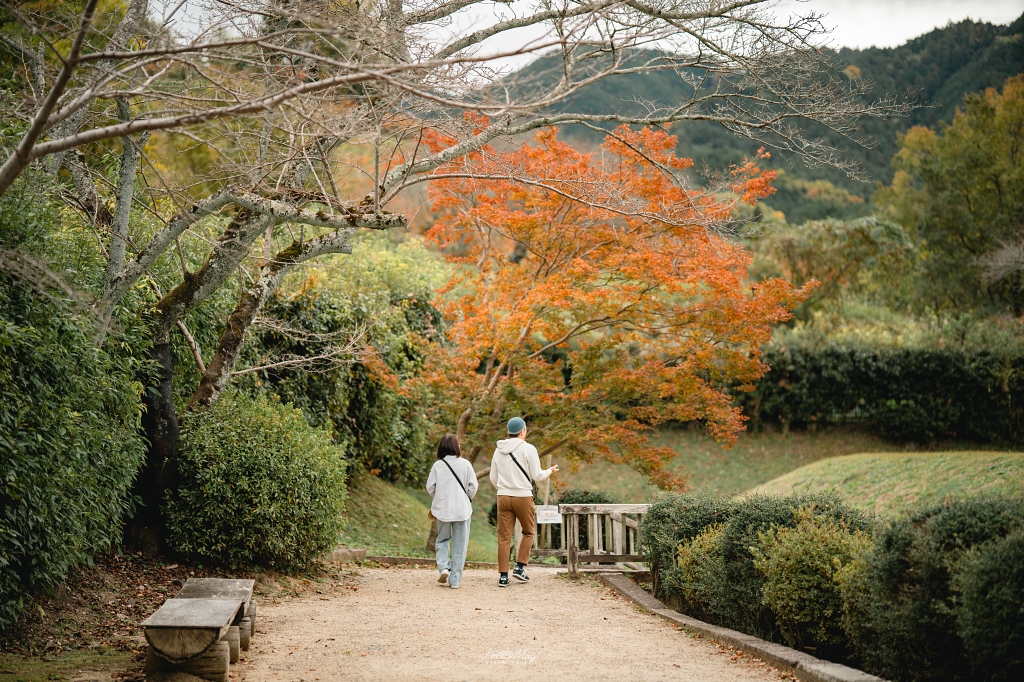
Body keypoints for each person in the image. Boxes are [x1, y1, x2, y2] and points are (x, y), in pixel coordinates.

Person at [489, 417, 558, 587]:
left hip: (503, 497)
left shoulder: (498, 450)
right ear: (522, 431)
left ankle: (503, 576)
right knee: (528, 532)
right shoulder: (529, 449)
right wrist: (549, 470)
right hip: (523, 497)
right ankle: (520, 567)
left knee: (504, 537)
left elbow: (493, 477)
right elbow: (537, 476)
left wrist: (503, 488)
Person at [426, 434, 477, 589]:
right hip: (462, 510)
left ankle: (444, 568)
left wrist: (440, 497)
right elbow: (473, 487)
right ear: (456, 447)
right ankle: (455, 581)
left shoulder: (437, 466)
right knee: (460, 544)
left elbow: (430, 488)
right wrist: (466, 499)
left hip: (443, 510)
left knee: (442, 540)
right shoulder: (466, 464)